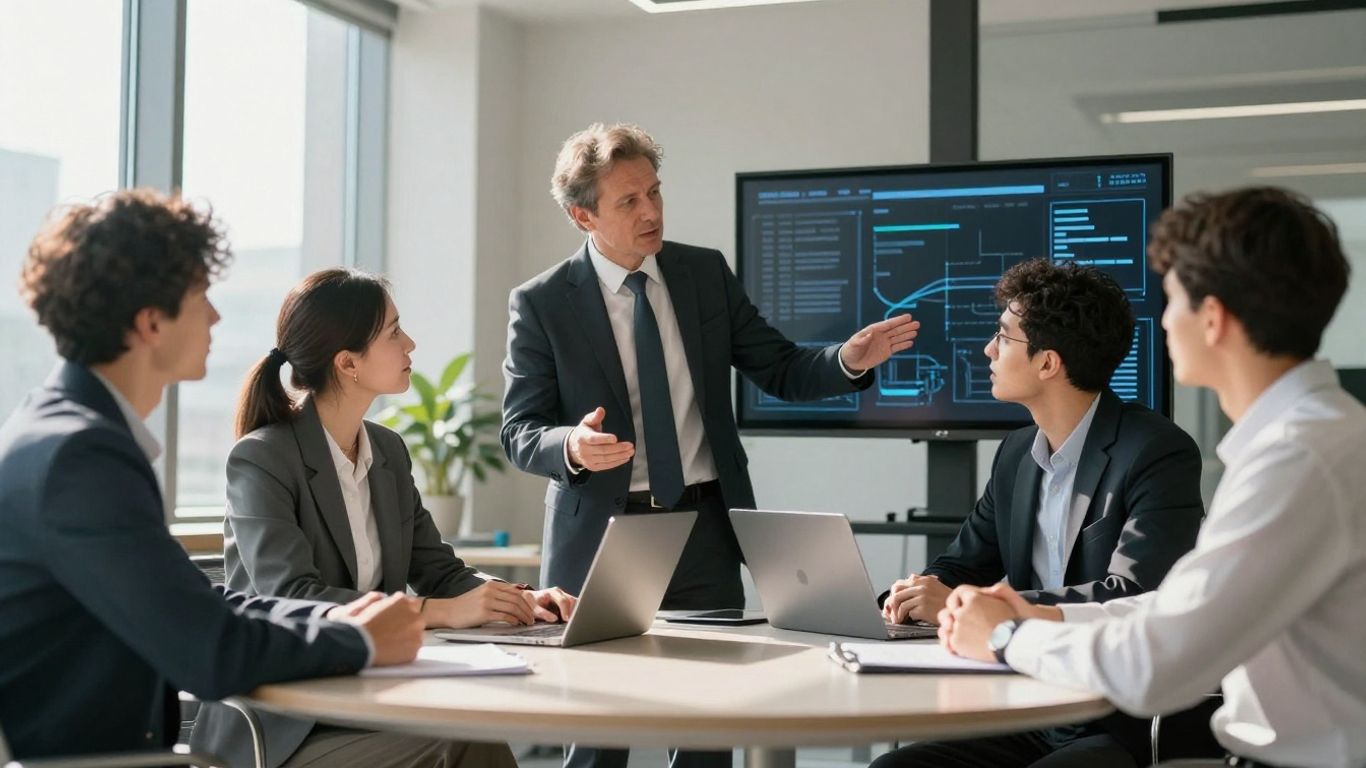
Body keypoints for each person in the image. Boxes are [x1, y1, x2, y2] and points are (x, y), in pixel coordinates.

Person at [501, 122, 919, 768]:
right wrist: (572, 448)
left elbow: (778, 367)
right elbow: (519, 431)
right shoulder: (542, 303)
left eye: (655, 193)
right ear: (583, 216)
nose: (651, 212)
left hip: (704, 527)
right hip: (604, 536)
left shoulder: (702, 274)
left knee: (707, 729)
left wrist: (845, 361)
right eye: (629, 201)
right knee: (597, 735)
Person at [937, 187, 1366, 768]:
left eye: (1171, 299)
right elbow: (1175, 609)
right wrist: (1038, 615)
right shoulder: (1312, 440)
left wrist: (1008, 637)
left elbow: (1157, 666)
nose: (1162, 322)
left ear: (1212, 317)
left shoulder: (1297, 458)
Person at [0, 189, 426, 762]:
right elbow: (211, 652)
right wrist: (359, 640)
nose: (216, 316)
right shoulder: (81, 458)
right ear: (151, 322)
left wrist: (341, 613)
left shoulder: (67, 435)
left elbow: (201, 601)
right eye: (201, 296)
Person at [194, 267, 576, 768]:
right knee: (462, 747)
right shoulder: (262, 458)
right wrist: (439, 613)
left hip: (376, 697)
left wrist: (515, 599)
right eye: (394, 332)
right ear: (348, 363)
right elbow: (290, 596)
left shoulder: (389, 452)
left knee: (477, 738)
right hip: (287, 723)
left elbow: (439, 571)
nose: (410, 344)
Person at [871, 260, 1209, 767]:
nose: (988, 350)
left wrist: (984, 609)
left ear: (1047, 363)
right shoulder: (1015, 454)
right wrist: (915, 594)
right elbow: (963, 565)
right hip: (1028, 707)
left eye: (1003, 337)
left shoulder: (1156, 451)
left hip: (1117, 717)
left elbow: (1137, 594)